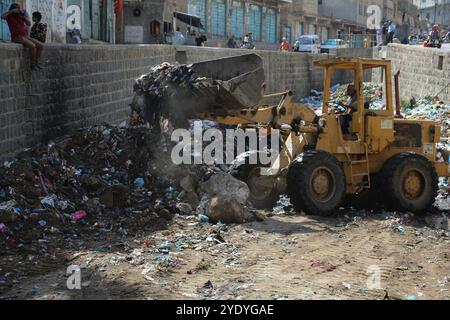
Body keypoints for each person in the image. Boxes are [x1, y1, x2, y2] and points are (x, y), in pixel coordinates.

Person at [1, 3, 44, 71]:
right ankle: (32, 64)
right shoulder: (9, 16)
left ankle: (36, 63)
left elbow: (29, 24)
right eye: (17, 9)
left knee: (41, 45)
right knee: (33, 46)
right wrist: (12, 11)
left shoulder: (20, 16)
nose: (18, 10)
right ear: (13, 9)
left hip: (25, 36)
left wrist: (22, 16)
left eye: (18, 9)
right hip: (17, 37)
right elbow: (2, 16)